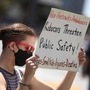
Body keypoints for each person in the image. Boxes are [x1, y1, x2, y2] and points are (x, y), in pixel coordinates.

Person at [0, 23, 86, 90]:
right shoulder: (3, 76)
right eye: (28, 48)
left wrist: (74, 67)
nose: (30, 53)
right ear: (12, 46)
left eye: (32, 50)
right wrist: (26, 80)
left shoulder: (21, 73)